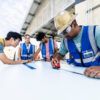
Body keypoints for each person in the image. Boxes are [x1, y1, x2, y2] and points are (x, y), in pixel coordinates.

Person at [52, 11, 100, 78]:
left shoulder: (95, 32)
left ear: (74, 23)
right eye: (62, 33)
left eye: (66, 30)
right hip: (79, 77)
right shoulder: (65, 41)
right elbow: (60, 54)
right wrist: (56, 58)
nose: (65, 35)